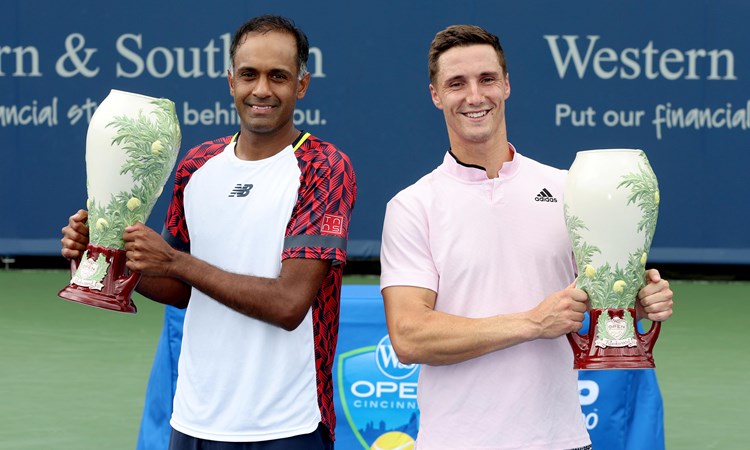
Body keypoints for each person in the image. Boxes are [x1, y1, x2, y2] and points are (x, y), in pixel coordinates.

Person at [61, 15, 356, 449]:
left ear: (301, 85)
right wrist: (107, 252)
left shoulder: (325, 167)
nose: (261, 90)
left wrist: (175, 261)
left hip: (288, 424)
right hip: (194, 420)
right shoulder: (196, 165)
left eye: (278, 76)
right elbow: (180, 289)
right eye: (249, 74)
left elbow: (290, 304)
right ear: (230, 81)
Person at [379, 24, 673, 450]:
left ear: (507, 85)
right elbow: (409, 336)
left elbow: (602, 297)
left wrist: (639, 300)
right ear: (436, 95)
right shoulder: (412, 206)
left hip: (561, 439)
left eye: (487, 79)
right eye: (457, 83)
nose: (475, 96)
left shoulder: (571, 189)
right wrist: (532, 323)